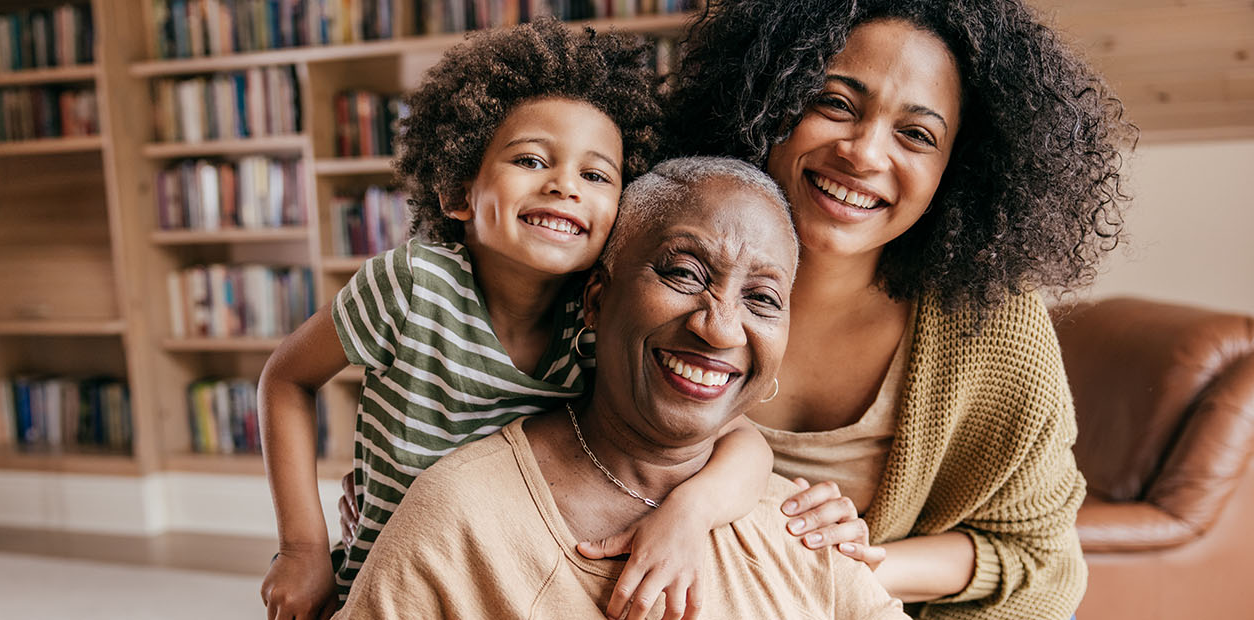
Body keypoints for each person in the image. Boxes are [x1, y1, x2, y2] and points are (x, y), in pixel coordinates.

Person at [258, 19, 775, 620]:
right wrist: (301, 547)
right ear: (459, 193)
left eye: (596, 175)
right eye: (531, 160)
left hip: (519, 589)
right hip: (388, 589)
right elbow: (286, 379)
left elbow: (742, 439)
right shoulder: (410, 284)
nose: (563, 186)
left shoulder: (601, 321)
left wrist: (689, 512)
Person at [653, 0, 1139, 618]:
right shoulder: (652, 264)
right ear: (765, 102)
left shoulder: (990, 325)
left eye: (916, 134)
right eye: (834, 103)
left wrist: (854, 558)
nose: (863, 153)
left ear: (957, 169)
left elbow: (1035, 555)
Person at [337, 156, 907, 620]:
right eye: (685, 273)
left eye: (762, 299)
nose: (720, 326)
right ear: (596, 301)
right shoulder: (460, 520)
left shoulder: (804, 527)